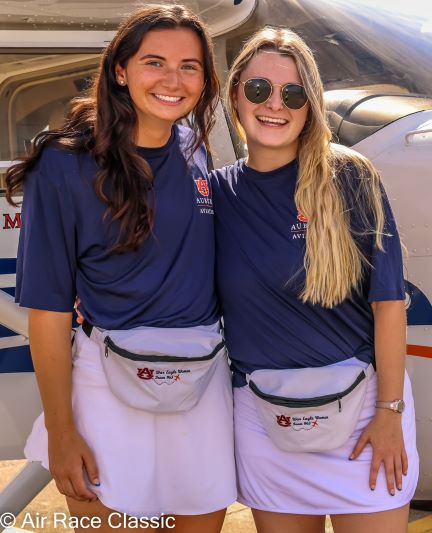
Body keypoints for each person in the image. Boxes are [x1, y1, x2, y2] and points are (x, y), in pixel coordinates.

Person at [7, 5, 235, 531]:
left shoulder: (196, 151)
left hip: (199, 383)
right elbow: (48, 312)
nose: (173, 80)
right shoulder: (62, 165)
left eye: (189, 67)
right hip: (106, 388)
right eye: (154, 62)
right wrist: (62, 431)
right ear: (120, 70)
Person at [211, 27, 419, 533]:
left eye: (293, 94)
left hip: (364, 416)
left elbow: (389, 304)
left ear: (310, 107)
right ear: (235, 95)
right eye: (259, 89)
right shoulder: (215, 197)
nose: (274, 105)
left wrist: (389, 413)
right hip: (266, 421)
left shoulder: (351, 177)